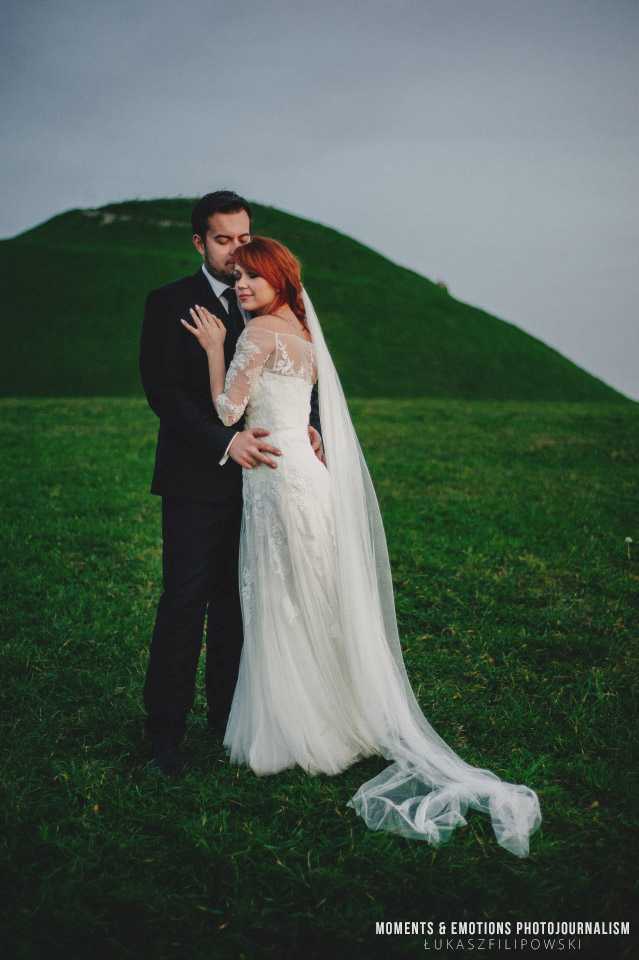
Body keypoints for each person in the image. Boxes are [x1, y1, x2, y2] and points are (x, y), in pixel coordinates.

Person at [180, 236, 543, 858]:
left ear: (277, 278)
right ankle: (340, 717)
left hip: (274, 481)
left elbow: (228, 410)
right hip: (307, 475)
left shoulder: (256, 334)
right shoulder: (301, 331)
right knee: (317, 595)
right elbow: (294, 406)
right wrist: (305, 429)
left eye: (251, 276)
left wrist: (215, 349)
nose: (240, 286)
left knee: (283, 599)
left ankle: (297, 732)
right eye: (236, 276)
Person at [139, 192, 323, 775]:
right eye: (223, 240)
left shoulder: (272, 297)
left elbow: (304, 377)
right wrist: (226, 442)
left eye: (244, 238)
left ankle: (230, 721)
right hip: (196, 479)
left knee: (242, 602)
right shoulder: (169, 302)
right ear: (199, 242)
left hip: (268, 482)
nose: (237, 252)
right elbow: (164, 394)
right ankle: (165, 734)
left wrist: (310, 428)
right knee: (184, 600)